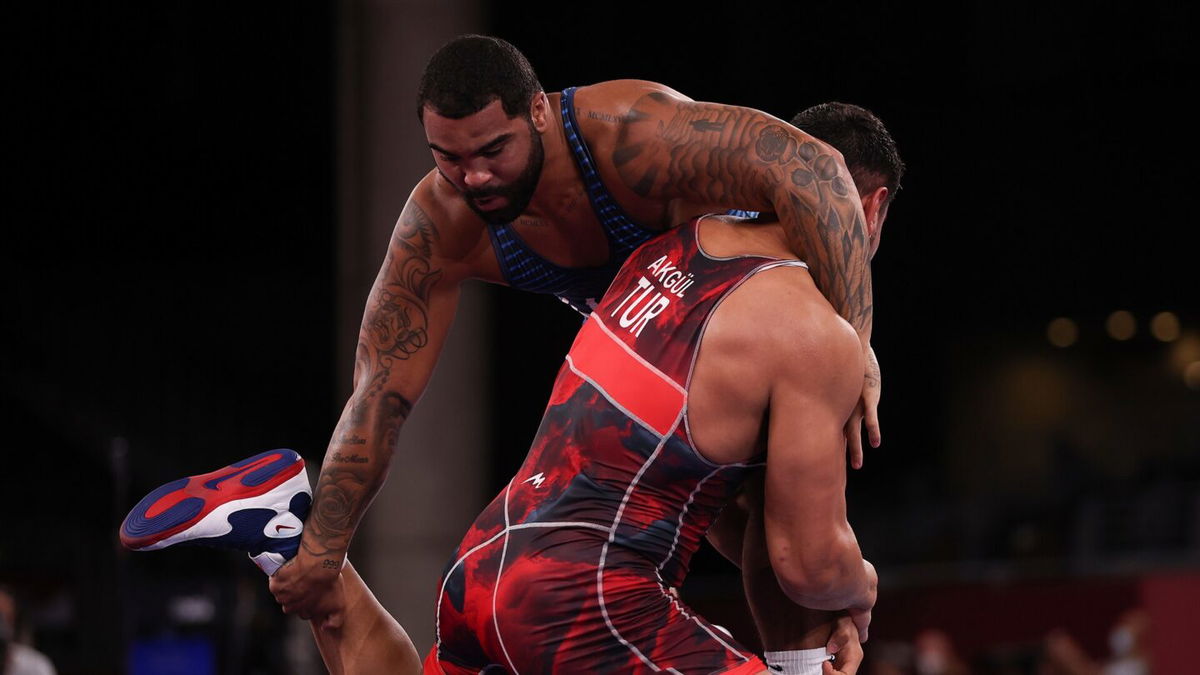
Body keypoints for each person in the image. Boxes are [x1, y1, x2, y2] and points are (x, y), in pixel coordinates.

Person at [120, 97, 903, 674]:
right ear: (870, 209)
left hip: (486, 564)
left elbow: (717, 504)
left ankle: (287, 531)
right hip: (583, 599)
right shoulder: (810, 335)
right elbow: (804, 556)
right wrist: (857, 586)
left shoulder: (663, 247)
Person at [266, 33, 883, 627]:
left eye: (491, 151)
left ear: (538, 111)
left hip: (735, 325)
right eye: (449, 158)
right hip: (647, 365)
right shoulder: (443, 222)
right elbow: (380, 393)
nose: (474, 176)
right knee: (741, 523)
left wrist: (854, 345)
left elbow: (814, 165)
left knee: (786, 521)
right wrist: (324, 549)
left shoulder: (630, 135)